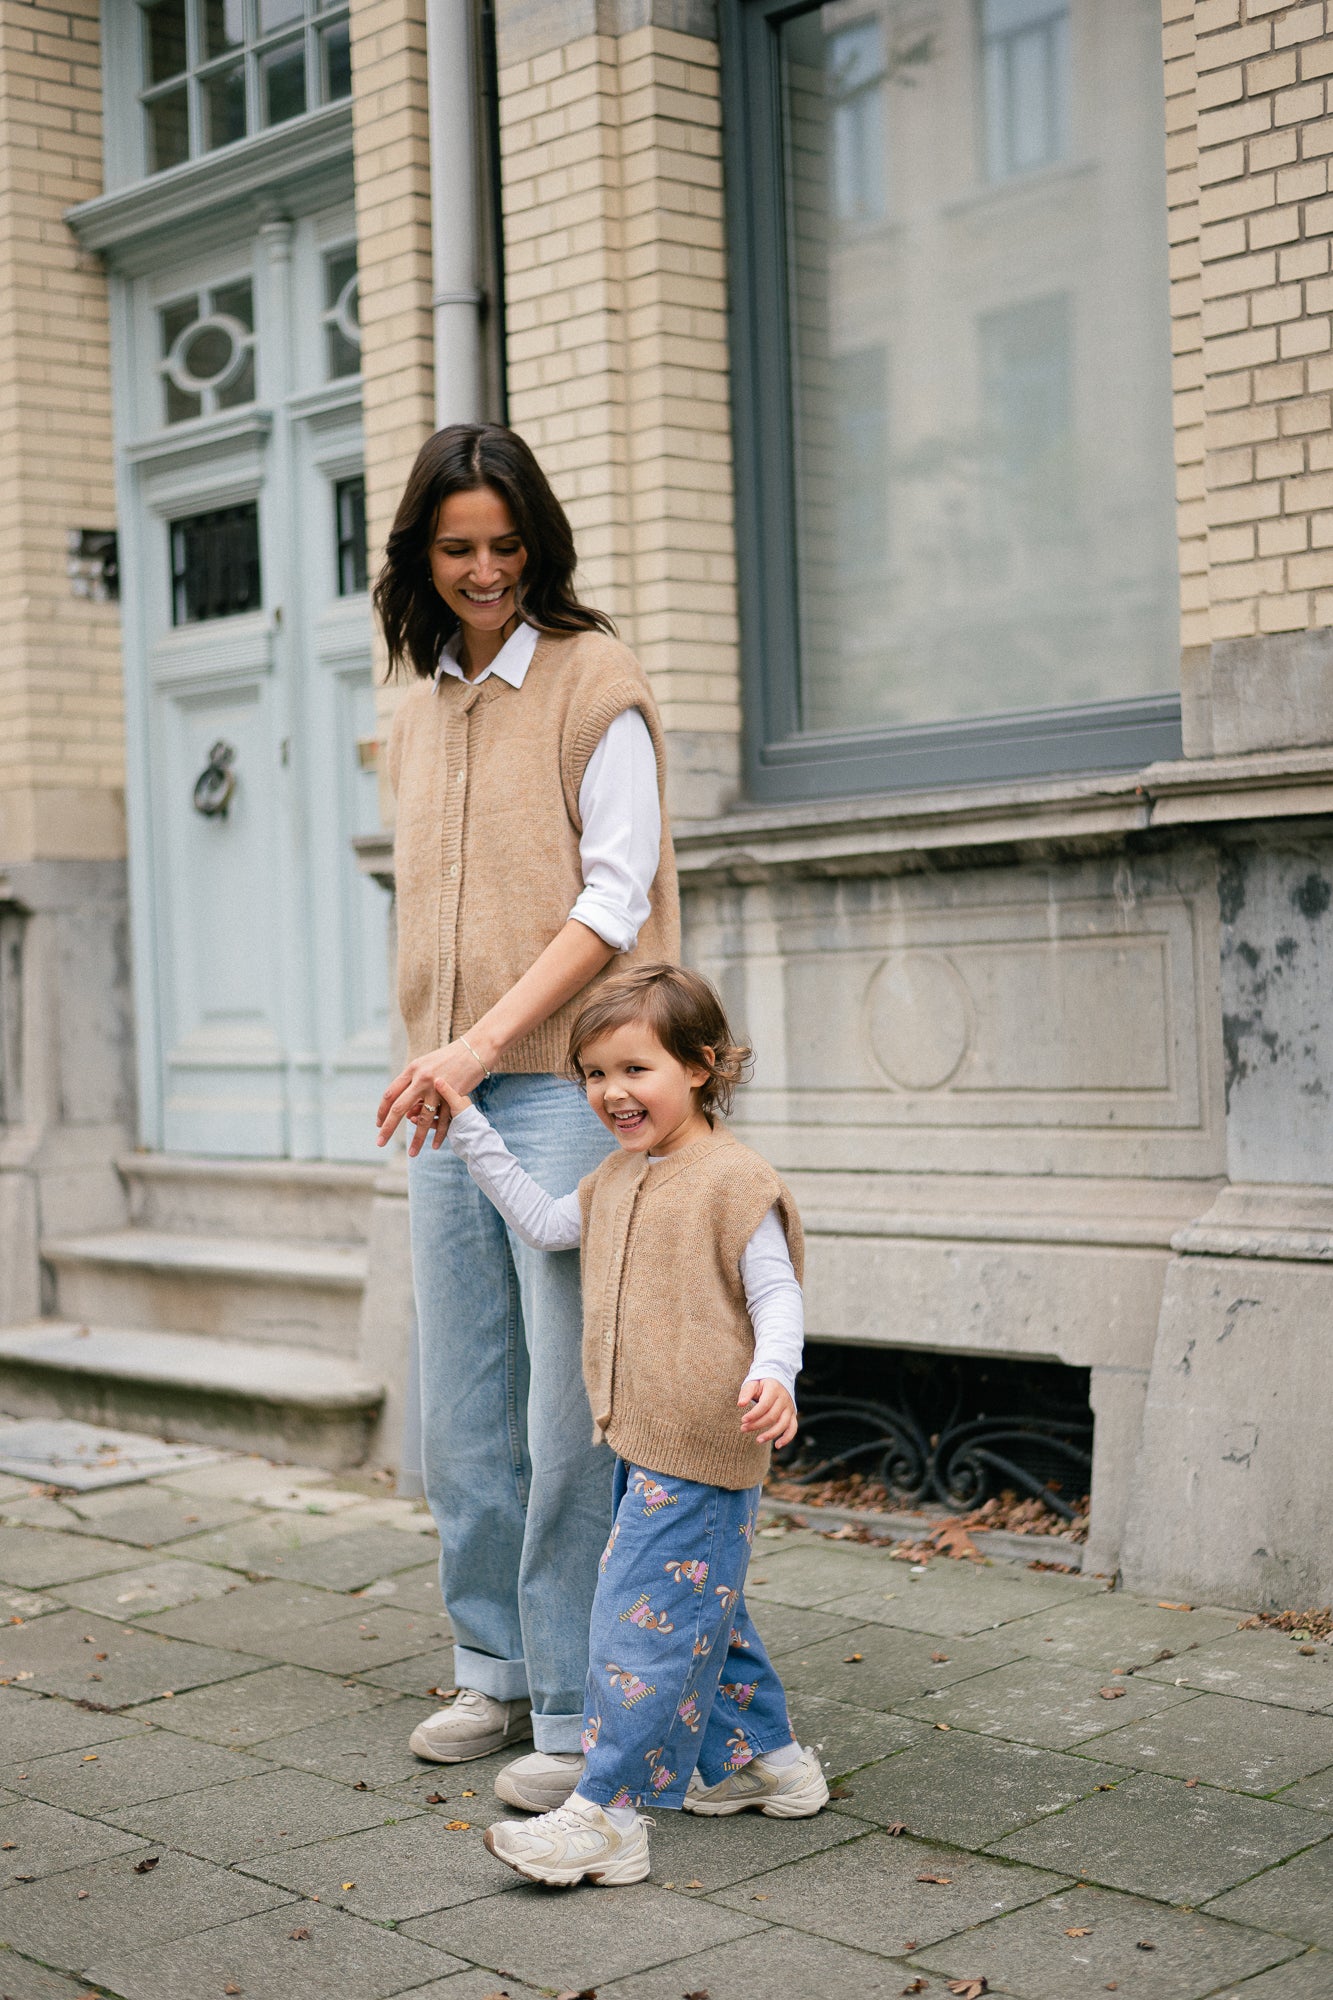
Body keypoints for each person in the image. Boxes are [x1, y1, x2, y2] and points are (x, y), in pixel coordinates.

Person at [373, 424, 680, 1812]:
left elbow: (613, 900)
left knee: (568, 1417)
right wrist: (431, 1049)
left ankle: (571, 1700)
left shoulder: (591, 682)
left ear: (536, 543)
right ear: (420, 558)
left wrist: (484, 1041)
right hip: (447, 1091)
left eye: (505, 545)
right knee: (465, 1406)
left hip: (561, 1084)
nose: (485, 570)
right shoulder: (421, 691)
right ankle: (487, 1663)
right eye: (458, 549)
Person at [431, 962, 829, 1886]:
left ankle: (606, 1816)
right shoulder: (616, 1177)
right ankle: (761, 1762)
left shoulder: (733, 1181)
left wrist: (775, 1371)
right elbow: (539, 1222)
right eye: (594, 1073)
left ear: (699, 1065)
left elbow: (776, 1295)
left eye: (633, 1069)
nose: (610, 1091)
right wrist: (468, 1124)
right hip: (642, 1440)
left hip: (702, 1442)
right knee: (701, 1608)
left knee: (638, 1625)